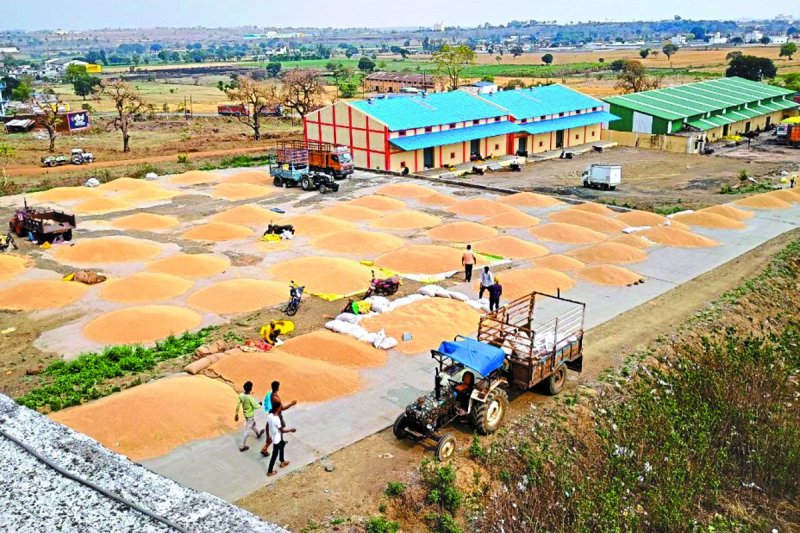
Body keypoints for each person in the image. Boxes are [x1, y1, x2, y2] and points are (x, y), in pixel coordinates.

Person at [261, 381, 297, 456]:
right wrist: (291, 404)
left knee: (276, 432)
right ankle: (266, 448)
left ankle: (279, 442)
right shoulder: (276, 398)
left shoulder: (271, 395)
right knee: (278, 432)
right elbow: (282, 408)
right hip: (278, 416)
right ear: (277, 388)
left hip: (272, 413)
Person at [267, 402, 295, 477]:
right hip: (276, 439)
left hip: (275, 437)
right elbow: (282, 430)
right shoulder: (276, 419)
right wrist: (290, 430)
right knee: (274, 455)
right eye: (280, 407)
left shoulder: (270, 415)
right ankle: (269, 471)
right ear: (278, 408)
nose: (281, 408)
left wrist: (268, 435)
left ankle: (282, 461)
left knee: (282, 445)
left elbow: (268, 425)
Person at [234, 381, 264, 452]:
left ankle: (258, 434)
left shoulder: (241, 395)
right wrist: (260, 404)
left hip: (245, 414)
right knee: (247, 430)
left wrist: (236, 414)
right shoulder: (250, 398)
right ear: (250, 389)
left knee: (252, 424)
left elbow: (238, 405)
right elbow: (255, 406)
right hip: (250, 415)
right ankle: (242, 447)